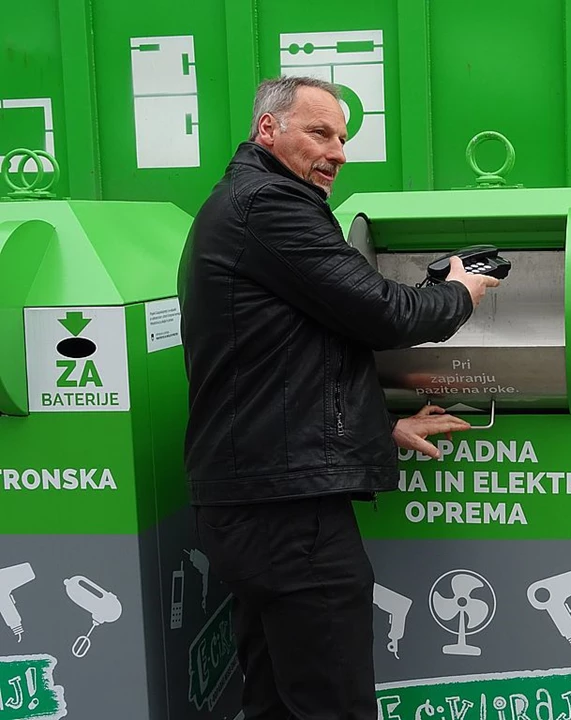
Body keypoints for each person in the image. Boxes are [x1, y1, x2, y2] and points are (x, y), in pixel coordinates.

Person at [177, 75, 499, 720]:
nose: (338, 152)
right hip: (289, 511)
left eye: (344, 138)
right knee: (332, 700)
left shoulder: (240, 202)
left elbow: (282, 360)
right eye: (320, 133)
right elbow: (384, 312)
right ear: (268, 130)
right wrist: (464, 290)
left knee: (277, 694)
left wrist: (377, 429)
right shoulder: (269, 204)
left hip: (254, 497)